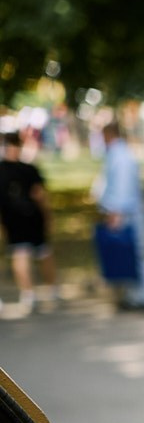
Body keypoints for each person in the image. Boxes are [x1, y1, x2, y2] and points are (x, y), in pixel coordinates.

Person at [93, 112, 144, 311]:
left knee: (138, 253)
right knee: (129, 254)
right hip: (126, 211)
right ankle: (136, 295)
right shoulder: (118, 153)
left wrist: (115, 212)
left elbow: (122, 188)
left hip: (128, 213)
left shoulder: (120, 156)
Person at [0, 132, 56, 317]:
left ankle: (29, 294)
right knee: (41, 252)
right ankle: (49, 289)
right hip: (30, 216)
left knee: (22, 253)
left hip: (13, 218)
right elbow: (39, 195)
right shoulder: (29, 169)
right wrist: (47, 215)